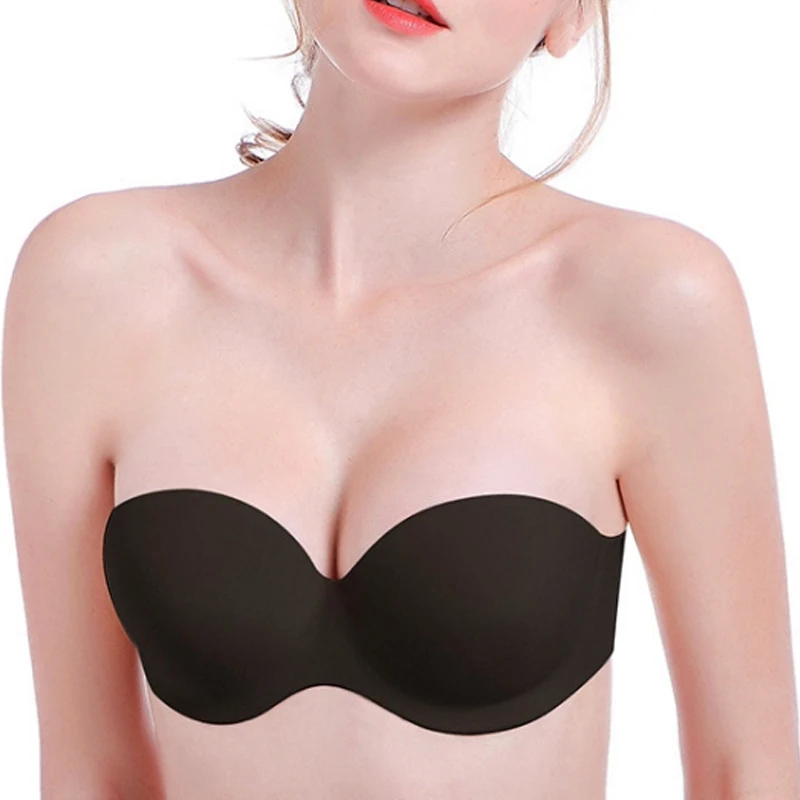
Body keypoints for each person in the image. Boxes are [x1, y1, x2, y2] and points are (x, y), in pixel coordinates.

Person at [4, 0, 800, 797]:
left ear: (571, 17)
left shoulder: (647, 303)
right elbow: (89, 772)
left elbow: (749, 773)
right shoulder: (93, 287)